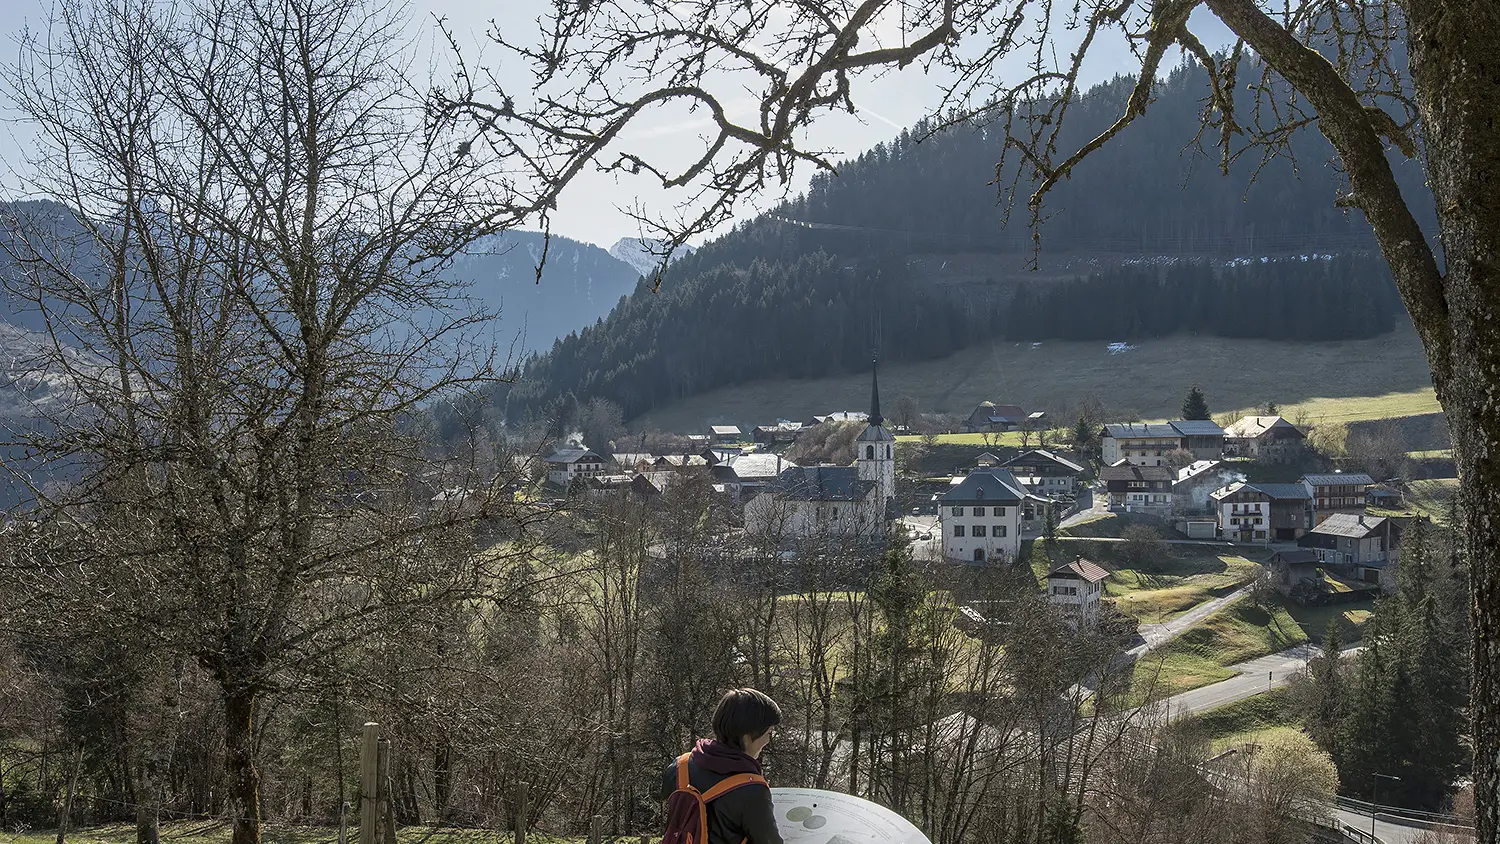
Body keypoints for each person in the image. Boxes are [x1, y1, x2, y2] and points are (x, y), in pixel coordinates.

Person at [659, 688, 785, 844]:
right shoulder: (753, 790)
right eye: (768, 733)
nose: (768, 741)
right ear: (747, 736)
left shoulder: (679, 767)